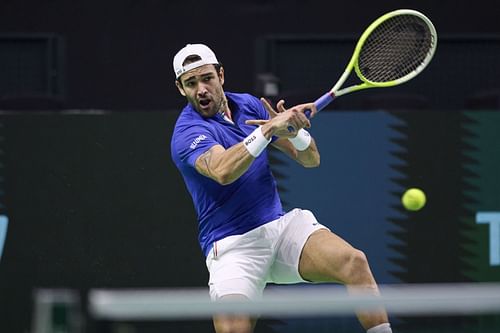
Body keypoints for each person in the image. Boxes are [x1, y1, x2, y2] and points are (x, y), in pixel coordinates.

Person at [170, 43, 392, 333]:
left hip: (280, 230)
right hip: (233, 247)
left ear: (221, 75)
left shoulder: (249, 105)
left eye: (207, 78)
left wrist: (297, 132)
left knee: (354, 262)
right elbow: (223, 171)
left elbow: (311, 159)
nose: (201, 89)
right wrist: (268, 129)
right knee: (233, 327)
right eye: (191, 83)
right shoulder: (187, 133)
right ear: (181, 88)